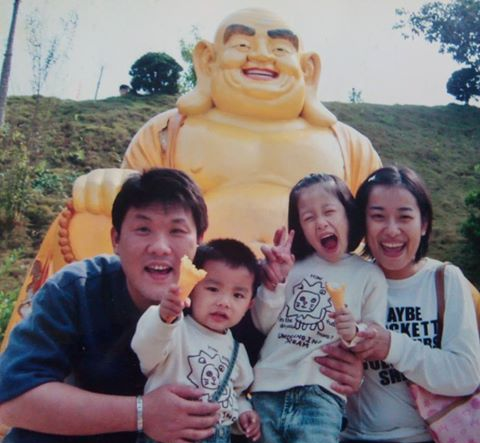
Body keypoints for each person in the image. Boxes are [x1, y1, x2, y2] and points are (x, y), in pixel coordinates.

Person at [4, 7, 383, 342]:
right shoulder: (169, 130)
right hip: (192, 292)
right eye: (242, 45)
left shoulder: (346, 143)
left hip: (311, 301)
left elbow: (381, 220)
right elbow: (135, 202)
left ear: (308, 68)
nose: (261, 55)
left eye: (280, 48)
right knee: (87, 216)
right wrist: (107, 188)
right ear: (207, 60)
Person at [0, 168, 221, 443]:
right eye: (143, 229)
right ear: (116, 239)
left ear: (199, 241)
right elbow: (12, 398)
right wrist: (143, 413)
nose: (160, 247)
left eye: (176, 231)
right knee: (33, 441)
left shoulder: (222, 294)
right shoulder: (75, 290)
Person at [336, 166, 480, 443]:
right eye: (378, 216)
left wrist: (392, 346)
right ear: (362, 223)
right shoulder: (346, 281)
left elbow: (466, 375)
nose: (391, 230)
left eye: (404, 217)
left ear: (423, 224)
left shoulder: (445, 280)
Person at [248, 173, 387, 443]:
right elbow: (263, 324)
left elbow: (373, 336)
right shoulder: (292, 267)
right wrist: (275, 284)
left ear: (349, 215)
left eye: (329, 211)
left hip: (322, 396)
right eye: (308, 217)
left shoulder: (369, 276)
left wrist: (354, 332)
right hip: (268, 390)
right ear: (299, 229)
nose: (321, 222)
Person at [131, 239, 261, 443]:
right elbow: (145, 349)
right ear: (192, 288)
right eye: (213, 289)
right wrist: (164, 317)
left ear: (250, 304)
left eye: (238, 295)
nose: (224, 302)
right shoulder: (175, 329)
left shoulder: (237, 349)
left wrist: (244, 412)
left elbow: (237, 393)